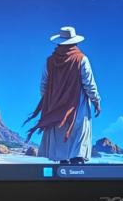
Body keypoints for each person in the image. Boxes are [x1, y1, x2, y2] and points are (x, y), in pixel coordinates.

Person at [25, 26, 102, 164]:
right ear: (75, 42)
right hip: (77, 108)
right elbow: (89, 84)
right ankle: (77, 172)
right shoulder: (81, 59)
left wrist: (51, 101)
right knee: (77, 149)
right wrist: (96, 101)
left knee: (61, 153)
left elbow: (43, 86)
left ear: (59, 42)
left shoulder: (49, 61)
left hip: (56, 109)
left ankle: (63, 173)